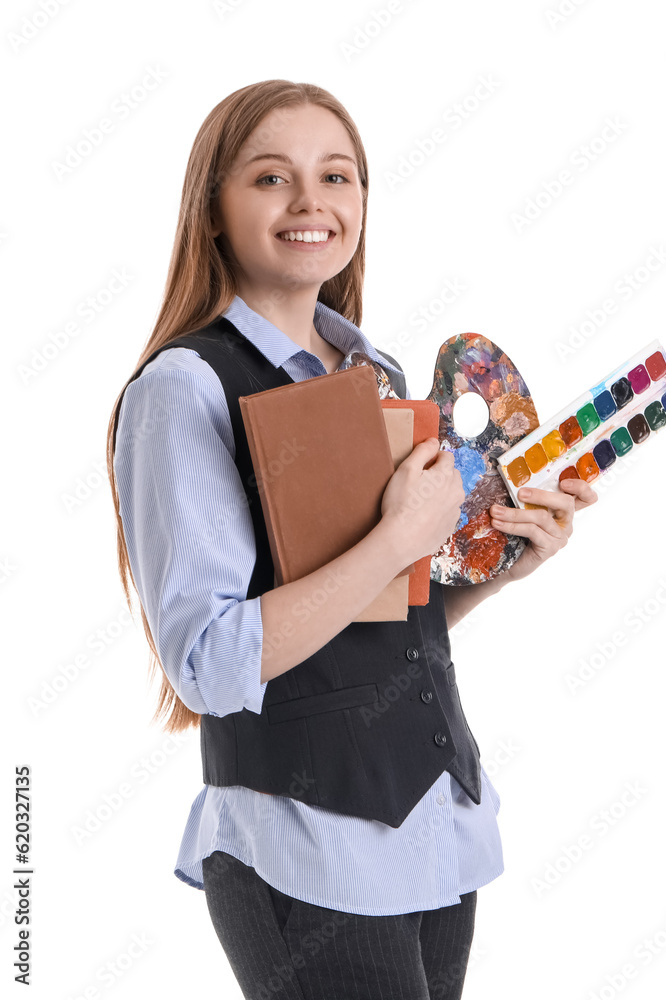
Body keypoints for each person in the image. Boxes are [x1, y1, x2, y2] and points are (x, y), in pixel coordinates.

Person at [106, 79, 597, 1000]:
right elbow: (209, 663)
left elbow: (379, 612)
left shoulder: (375, 373)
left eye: (336, 175)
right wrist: (396, 536)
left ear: (363, 203)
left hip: (431, 818)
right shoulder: (185, 387)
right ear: (211, 210)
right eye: (269, 178)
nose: (311, 202)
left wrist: (498, 569)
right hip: (305, 839)